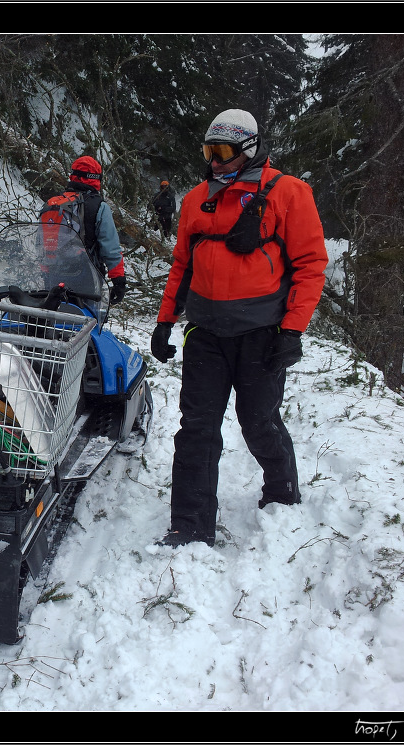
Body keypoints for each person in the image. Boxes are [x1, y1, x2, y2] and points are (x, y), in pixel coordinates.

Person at [149, 108, 328, 548]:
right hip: (206, 334)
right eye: (209, 151)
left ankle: (282, 492)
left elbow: (310, 266)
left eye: (223, 152)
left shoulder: (290, 193)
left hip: (262, 334)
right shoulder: (195, 199)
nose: (214, 161)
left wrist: (292, 331)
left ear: (248, 150)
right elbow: (181, 266)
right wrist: (164, 321)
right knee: (197, 428)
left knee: (258, 420)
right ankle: (189, 525)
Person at [54, 156, 128, 305]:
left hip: (52, 275)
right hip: (86, 277)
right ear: (96, 178)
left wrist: (45, 270)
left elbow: (41, 242)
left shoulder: (53, 203)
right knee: (86, 322)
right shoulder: (99, 207)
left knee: (55, 319)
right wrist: (119, 281)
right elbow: (111, 248)